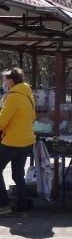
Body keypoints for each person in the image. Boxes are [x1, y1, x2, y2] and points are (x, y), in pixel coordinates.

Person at [0, 67, 36, 217]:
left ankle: (3, 205)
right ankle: (22, 209)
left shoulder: (13, 96)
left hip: (12, 141)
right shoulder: (29, 95)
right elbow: (33, 117)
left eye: (4, 81)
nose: (3, 83)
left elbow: (2, 120)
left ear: (11, 81)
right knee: (18, 175)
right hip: (27, 140)